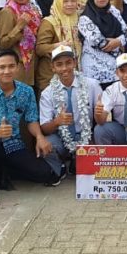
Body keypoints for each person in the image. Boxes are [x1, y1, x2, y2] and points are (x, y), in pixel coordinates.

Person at [0, 50, 64, 205]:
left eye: (11, 66)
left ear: (18, 68)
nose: (7, 71)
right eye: (2, 67)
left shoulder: (26, 92)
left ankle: (3, 170)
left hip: (13, 144)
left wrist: (40, 137)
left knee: (45, 173)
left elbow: (31, 120)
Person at [39, 45, 102, 175]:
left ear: (74, 62)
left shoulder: (92, 85)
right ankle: (60, 167)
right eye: (59, 64)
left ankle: (79, 159)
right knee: (48, 143)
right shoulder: (48, 93)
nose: (64, 68)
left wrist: (99, 115)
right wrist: (57, 121)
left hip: (86, 137)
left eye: (68, 63)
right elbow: (45, 128)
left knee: (102, 133)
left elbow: (102, 119)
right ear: (53, 67)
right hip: (62, 139)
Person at [77, 0, 127, 86]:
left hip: (116, 71)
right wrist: (118, 44)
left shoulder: (113, 10)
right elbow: (100, 43)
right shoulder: (85, 18)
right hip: (95, 73)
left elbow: (126, 32)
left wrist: (118, 41)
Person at [0, 0, 42, 88]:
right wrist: (19, 27)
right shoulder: (8, 12)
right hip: (17, 69)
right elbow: (3, 44)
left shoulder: (33, 10)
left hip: (34, 67)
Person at [36, 0, 83, 91]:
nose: (70, 4)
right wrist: (57, 46)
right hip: (51, 76)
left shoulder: (80, 20)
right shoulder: (49, 22)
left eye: (73, 1)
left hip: (74, 74)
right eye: (65, 1)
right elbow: (40, 49)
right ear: (58, 2)